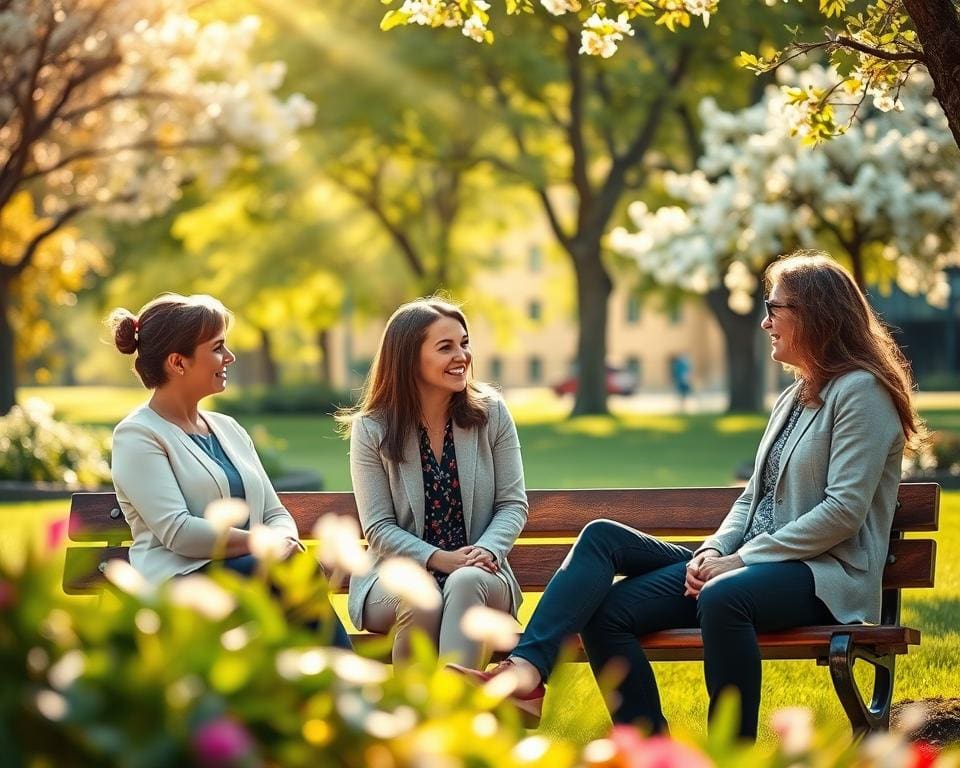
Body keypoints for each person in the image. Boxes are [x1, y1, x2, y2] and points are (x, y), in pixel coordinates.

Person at [451, 251, 922, 739]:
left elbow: (843, 512)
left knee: (723, 595)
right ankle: (602, 720)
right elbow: (752, 499)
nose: (765, 322)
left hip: (822, 577)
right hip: (749, 566)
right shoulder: (794, 397)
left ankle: (730, 751)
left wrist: (739, 562)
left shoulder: (862, 392)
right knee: (605, 584)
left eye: (773, 308)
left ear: (814, 314)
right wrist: (714, 551)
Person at [108, 293, 351, 648]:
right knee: (281, 576)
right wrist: (265, 546)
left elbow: (274, 512)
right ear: (178, 362)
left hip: (250, 576)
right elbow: (178, 532)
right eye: (218, 347)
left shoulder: (229, 429)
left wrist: (284, 543)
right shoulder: (137, 435)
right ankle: (341, 673)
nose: (230, 357)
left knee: (289, 574)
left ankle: (330, 674)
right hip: (180, 584)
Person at [338, 297, 528, 666]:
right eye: (446, 347)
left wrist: (486, 551)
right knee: (422, 596)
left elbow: (512, 504)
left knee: (464, 581)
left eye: (464, 343)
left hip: (479, 574)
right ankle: (419, 703)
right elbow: (378, 528)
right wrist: (439, 559)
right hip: (397, 577)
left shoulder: (492, 413)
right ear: (409, 358)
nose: (462, 356)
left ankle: (452, 701)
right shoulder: (372, 428)